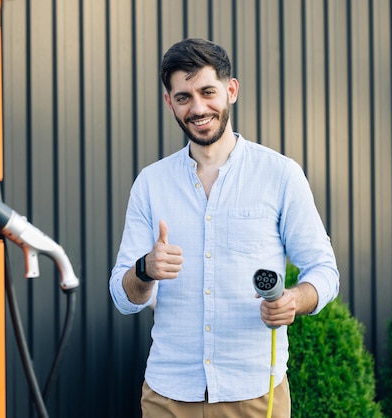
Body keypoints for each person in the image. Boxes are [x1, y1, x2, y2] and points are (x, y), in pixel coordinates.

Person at [109, 38, 339, 417]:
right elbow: (123, 297)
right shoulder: (150, 184)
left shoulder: (280, 175)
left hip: (253, 393)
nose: (198, 108)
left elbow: (324, 271)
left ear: (231, 90)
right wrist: (145, 270)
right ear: (169, 102)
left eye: (207, 92)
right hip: (168, 396)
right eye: (183, 97)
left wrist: (294, 301)